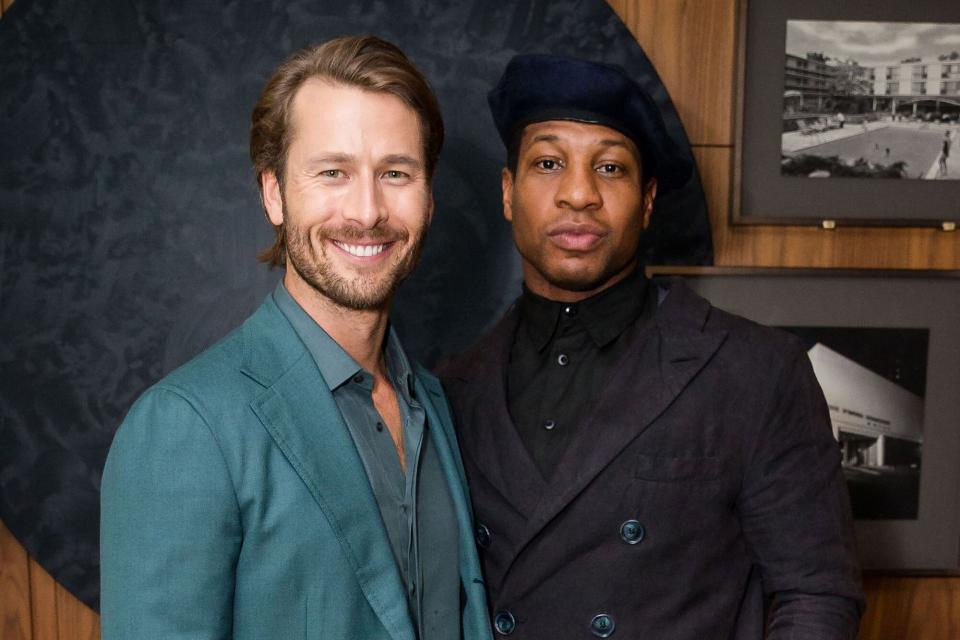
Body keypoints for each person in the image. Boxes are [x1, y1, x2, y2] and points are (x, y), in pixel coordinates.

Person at [438, 54, 864, 639]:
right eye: (548, 162)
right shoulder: (448, 390)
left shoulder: (756, 372)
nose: (579, 194)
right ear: (509, 192)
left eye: (610, 168)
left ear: (648, 199)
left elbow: (817, 595)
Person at [100, 36, 491, 640]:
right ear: (275, 193)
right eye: (333, 172)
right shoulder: (185, 426)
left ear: (429, 196)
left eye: (395, 173)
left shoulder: (436, 406)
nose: (367, 211)